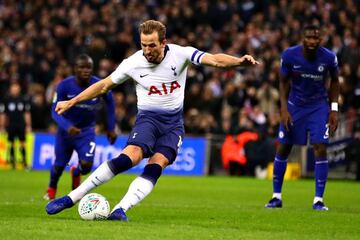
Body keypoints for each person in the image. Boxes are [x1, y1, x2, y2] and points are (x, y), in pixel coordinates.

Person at [46, 20, 259, 220]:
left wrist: (238, 62)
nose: (147, 51)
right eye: (144, 45)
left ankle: (121, 209)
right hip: (148, 119)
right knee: (129, 157)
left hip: (173, 124)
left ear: (163, 42)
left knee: (158, 163)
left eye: (152, 45)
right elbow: (103, 85)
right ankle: (71, 198)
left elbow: (214, 59)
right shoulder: (133, 63)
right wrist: (72, 101)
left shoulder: (181, 54)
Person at [265, 25, 340, 211]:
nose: (312, 41)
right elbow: (282, 82)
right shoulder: (289, 55)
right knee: (284, 147)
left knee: (320, 147)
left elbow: (336, 81)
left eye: (316, 38)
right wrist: (283, 109)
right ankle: (276, 197)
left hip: (318, 106)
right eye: (309, 38)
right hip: (295, 105)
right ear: (303, 39)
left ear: (320, 39)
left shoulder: (329, 57)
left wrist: (334, 110)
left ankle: (318, 200)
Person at [44, 54, 117, 200]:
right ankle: (51, 189)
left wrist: (111, 127)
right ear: (74, 69)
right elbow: (54, 110)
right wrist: (67, 126)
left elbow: (110, 102)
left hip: (86, 131)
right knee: (59, 165)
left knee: (87, 165)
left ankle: (76, 172)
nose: (86, 70)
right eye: (81, 67)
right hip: (66, 133)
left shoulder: (99, 84)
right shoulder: (64, 86)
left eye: (88, 67)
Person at [0, 82, 32, 170]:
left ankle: (25, 162)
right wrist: (2, 126)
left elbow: (27, 113)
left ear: (19, 88)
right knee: (11, 143)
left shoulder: (23, 99)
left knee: (23, 143)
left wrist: (28, 125)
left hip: (21, 125)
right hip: (10, 125)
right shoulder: (6, 100)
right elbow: (3, 114)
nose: (15, 89)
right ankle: (12, 162)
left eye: (16, 87)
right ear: (10, 89)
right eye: (13, 87)